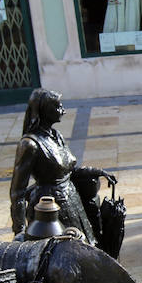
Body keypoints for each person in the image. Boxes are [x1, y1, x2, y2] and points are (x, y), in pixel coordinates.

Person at [10, 88, 114, 245]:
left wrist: (95, 171)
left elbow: (68, 170)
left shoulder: (56, 135)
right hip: (49, 211)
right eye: (57, 106)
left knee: (86, 248)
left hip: (72, 202)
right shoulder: (29, 145)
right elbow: (17, 192)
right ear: (43, 110)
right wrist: (20, 231)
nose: (63, 110)